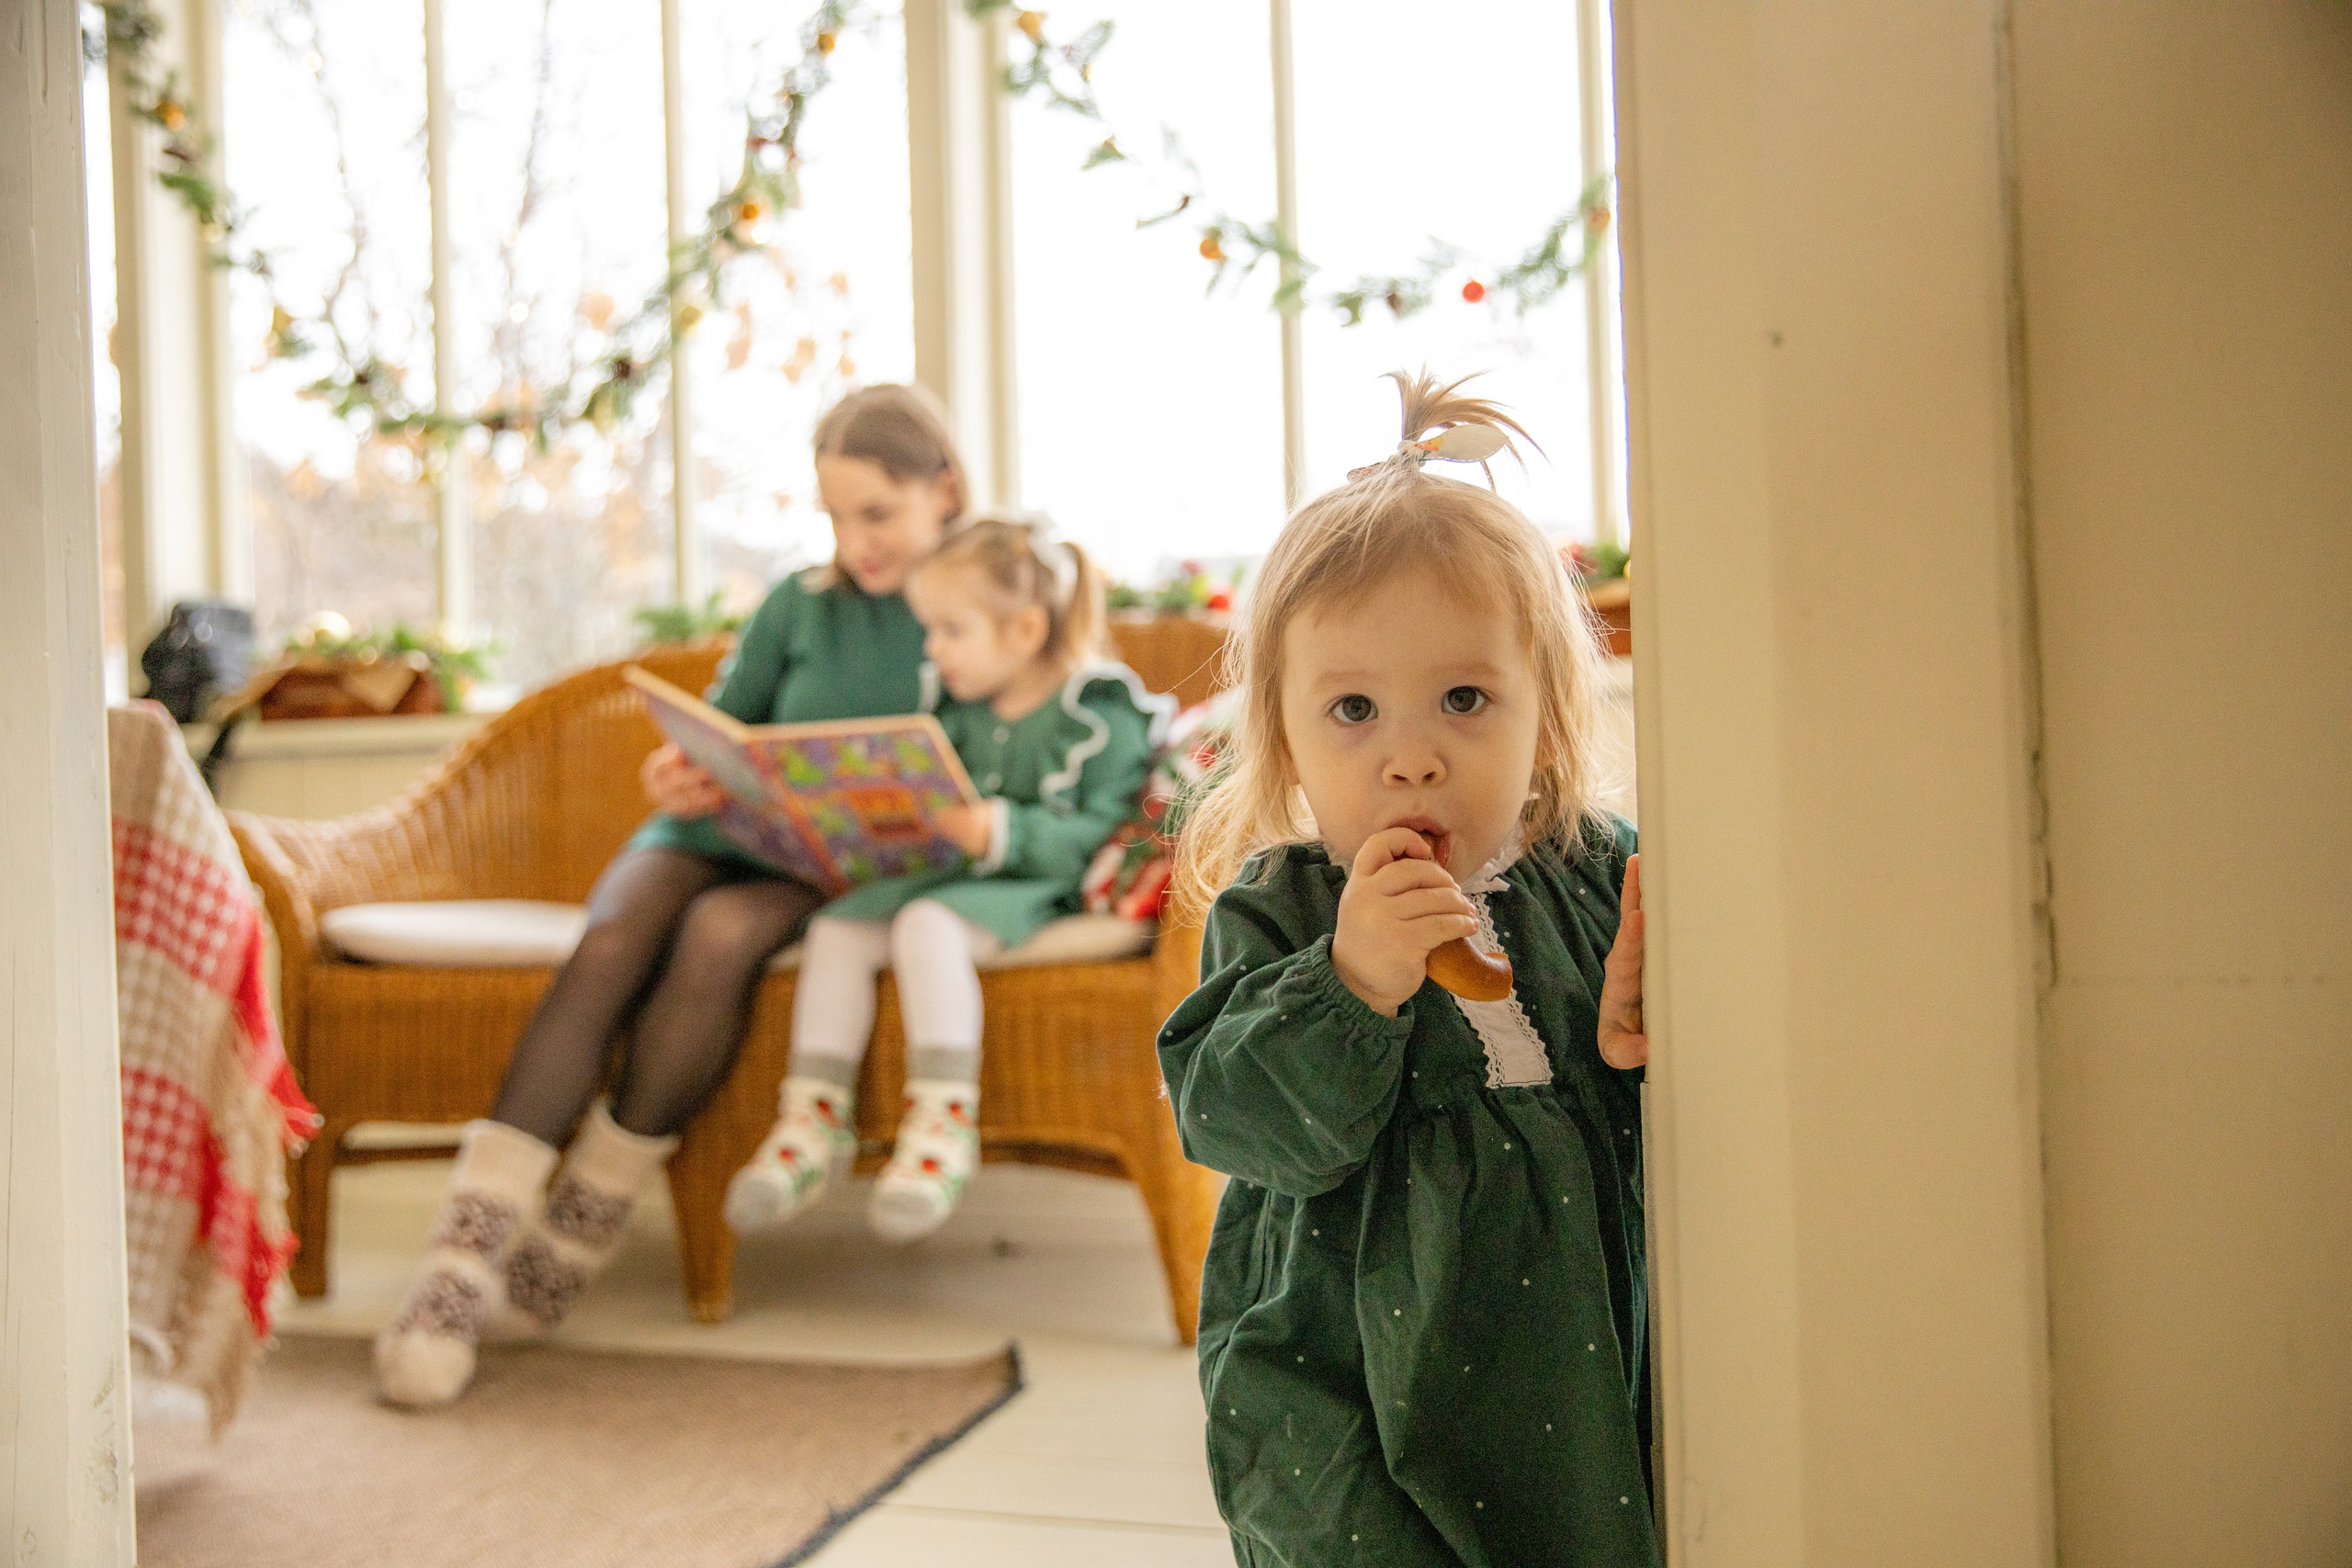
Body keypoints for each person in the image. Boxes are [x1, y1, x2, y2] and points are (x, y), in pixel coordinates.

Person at [374, 384, 970, 1408]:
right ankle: (459, 1263)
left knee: (718, 936)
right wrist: (677, 778)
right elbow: (727, 723)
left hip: (826, 867)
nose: (854, 540)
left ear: (944, 492)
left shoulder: (975, 606)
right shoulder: (802, 603)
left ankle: (582, 1223)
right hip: (714, 830)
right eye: (835, 516)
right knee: (611, 942)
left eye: (877, 513)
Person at [1159, 371, 1656, 1565]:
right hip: (1350, 1382)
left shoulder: (1595, 875)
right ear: (1282, 734)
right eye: (1353, 711)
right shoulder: (1285, 910)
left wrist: (1654, 1028)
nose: (1412, 758)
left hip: (1584, 1370)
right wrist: (1353, 982)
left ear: (1547, 711)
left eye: (1465, 698)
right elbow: (1229, 1112)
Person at [724, 515, 1169, 1243]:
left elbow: (1097, 834)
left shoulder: (1096, 710)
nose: (932, 649)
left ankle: (941, 1126)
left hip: (1039, 886)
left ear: (1025, 630)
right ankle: (812, 1118)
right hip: (952, 876)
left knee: (923, 927)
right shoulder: (958, 709)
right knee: (837, 926)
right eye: (930, 629)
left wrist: (999, 829)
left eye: (949, 630)